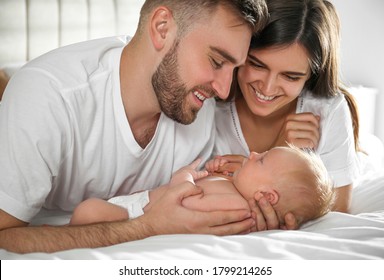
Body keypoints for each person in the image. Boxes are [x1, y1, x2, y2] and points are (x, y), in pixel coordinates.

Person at [0, 0, 269, 253]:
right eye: (217, 62)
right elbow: (4, 235)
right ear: (162, 28)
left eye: (233, 69)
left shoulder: (198, 109)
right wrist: (148, 227)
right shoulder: (49, 95)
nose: (223, 90)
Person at [213, 0, 360, 225]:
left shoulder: (327, 109)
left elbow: (338, 213)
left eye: (290, 76)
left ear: (311, 75)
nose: (267, 88)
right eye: (257, 65)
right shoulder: (212, 100)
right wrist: (282, 149)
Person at [70, 146, 335, 230]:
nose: (252, 153)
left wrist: (184, 178)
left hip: (136, 216)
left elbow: (187, 206)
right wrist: (217, 175)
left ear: (267, 197)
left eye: (262, 159)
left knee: (88, 211)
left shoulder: (239, 208)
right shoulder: (236, 189)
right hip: (137, 204)